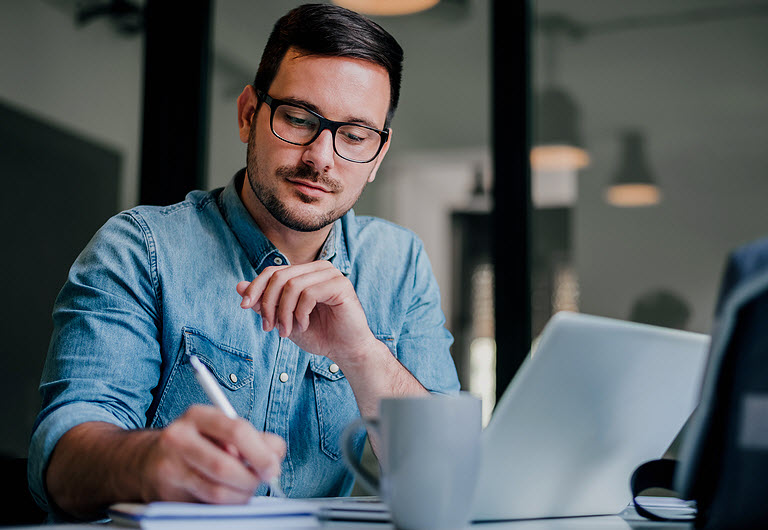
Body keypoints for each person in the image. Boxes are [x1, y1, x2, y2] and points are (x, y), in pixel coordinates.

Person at [28, 3, 459, 520]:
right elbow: (60, 460)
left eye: (354, 136)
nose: (322, 157)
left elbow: (449, 477)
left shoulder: (399, 263)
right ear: (248, 114)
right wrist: (148, 463)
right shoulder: (139, 248)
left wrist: (362, 353)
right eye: (299, 119)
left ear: (377, 157)